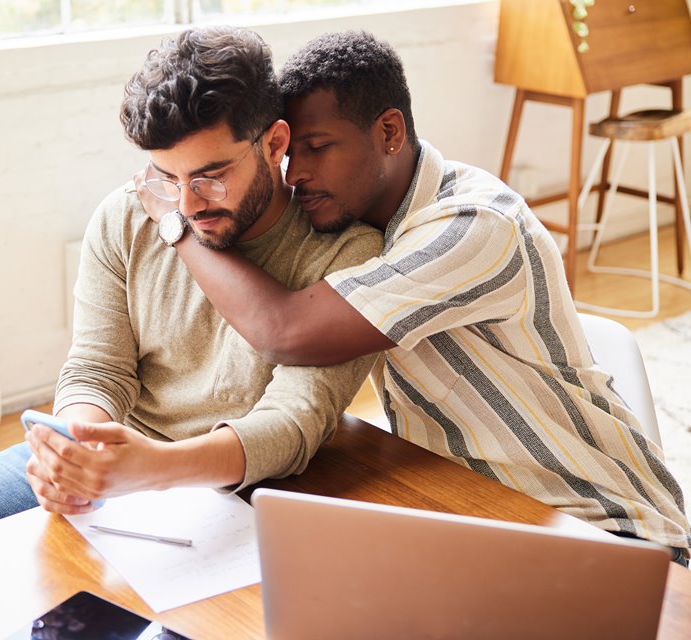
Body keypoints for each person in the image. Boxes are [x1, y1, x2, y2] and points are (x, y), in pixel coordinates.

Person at [135, 30, 691, 563]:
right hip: (480, 520)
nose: (297, 173)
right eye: (289, 154)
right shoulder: (367, 232)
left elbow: (286, 332)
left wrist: (175, 221)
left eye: (318, 148)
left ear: (389, 132)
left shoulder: (475, 226)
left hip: (611, 532)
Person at [0, 26, 381, 564]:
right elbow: (96, 366)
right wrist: (80, 447)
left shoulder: (347, 254)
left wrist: (152, 468)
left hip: (238, 485)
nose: (185, 203)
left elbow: (295, 424)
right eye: (165, 176)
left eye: (211, 176)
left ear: (274, 143)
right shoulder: (128, 214)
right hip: (121, 457)